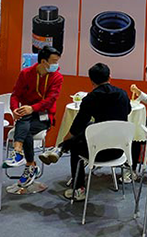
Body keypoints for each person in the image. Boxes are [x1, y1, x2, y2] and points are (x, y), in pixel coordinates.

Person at [38, 63, 131, 201]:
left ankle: (78, 187)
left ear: (91, 81)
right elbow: (128, 111)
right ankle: (60, 149)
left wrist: (65, 140)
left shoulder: (91, 98)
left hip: (97, 152)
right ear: (109, 77)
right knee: (89, 126)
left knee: (76, 145)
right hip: (119, 150)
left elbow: (77, 126)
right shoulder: (123, 94)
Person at [3, 45, 63, 188]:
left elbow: (50, 100)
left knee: (25, 128)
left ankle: (23, 157)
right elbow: (15, 95)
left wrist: (32, 108)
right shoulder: (26, 74)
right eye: (54, 61)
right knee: (23, 119)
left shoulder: (57, 77)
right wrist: (14, 109)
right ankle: (26, 162)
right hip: (26, 113)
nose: (56, 65)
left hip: (44, 115)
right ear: (43, 61)